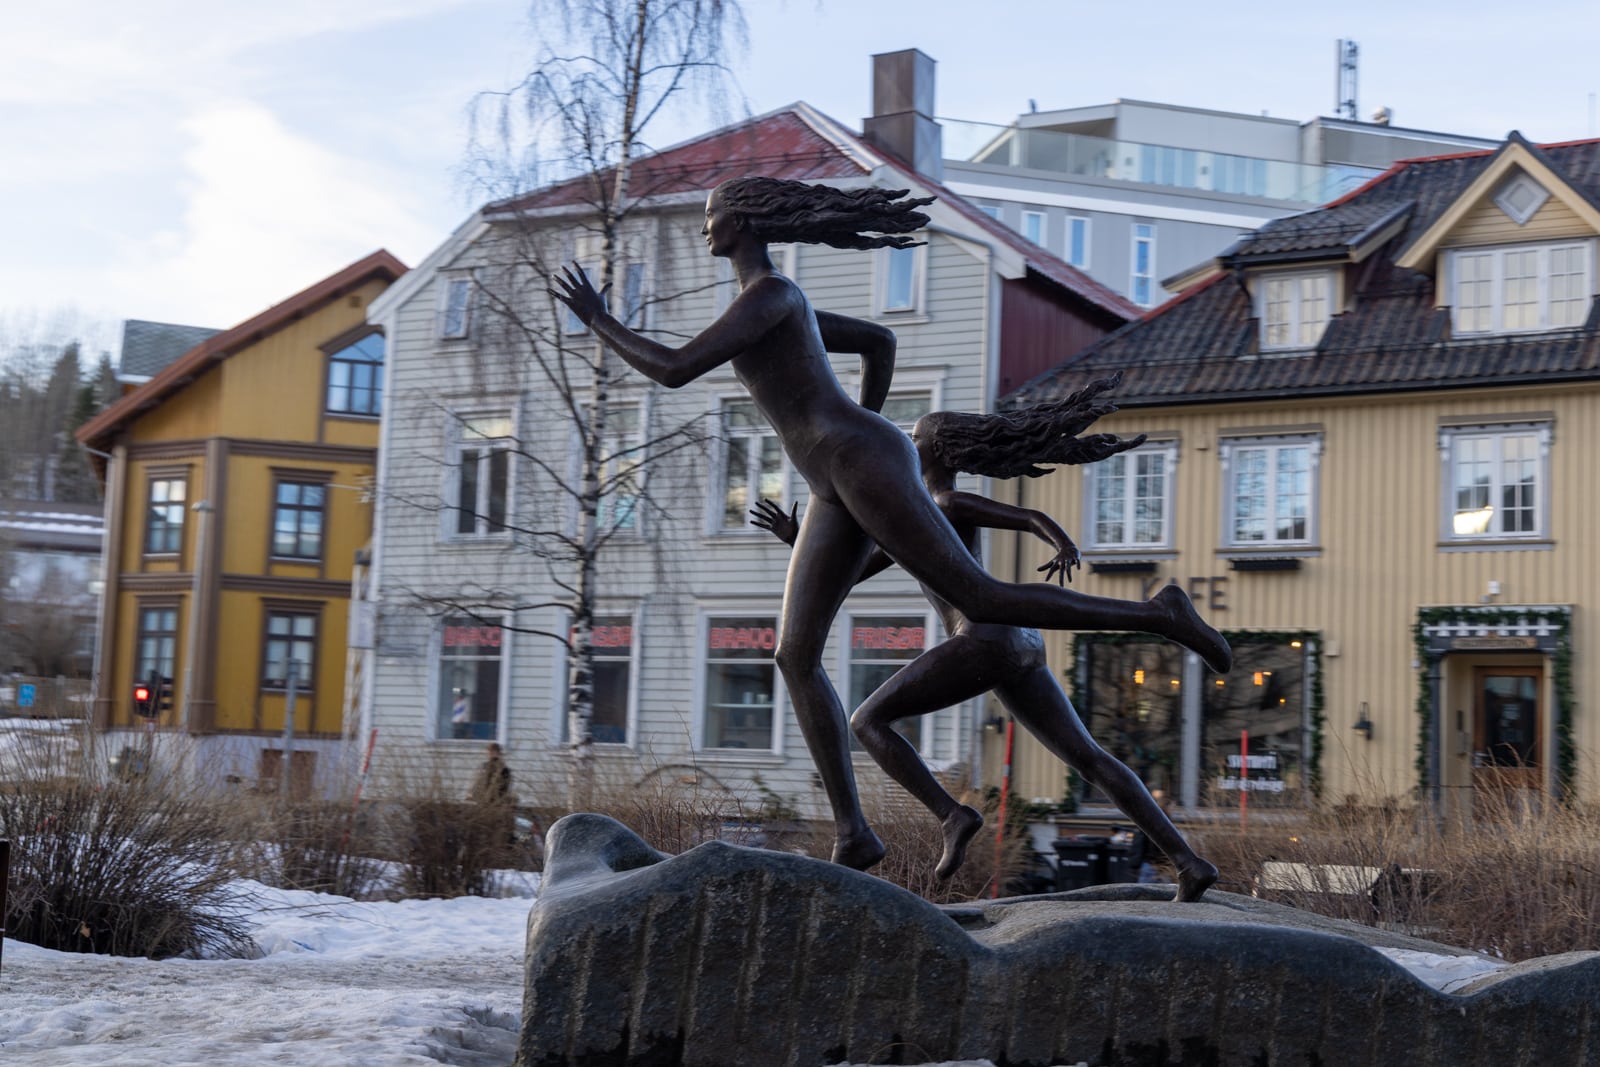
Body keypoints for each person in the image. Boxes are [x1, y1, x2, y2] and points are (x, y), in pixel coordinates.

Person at [549, 176, 1231, 871]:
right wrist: (856, 449)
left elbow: (673, 370)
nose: (704, 228)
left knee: (980, 599)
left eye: (711, 214)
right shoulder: (781, 305)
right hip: (837, 476)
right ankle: (855, 832)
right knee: (793, 655)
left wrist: (599, 318)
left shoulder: (771, 295)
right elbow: (879, 341)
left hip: (852, 460)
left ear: (744, 221)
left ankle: (1160, 614)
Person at [750, 376, 1218, 902]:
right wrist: (798, 540)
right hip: (1018, 643)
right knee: (1088, 757)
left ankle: (952, 814)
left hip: (983, 640)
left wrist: (1062, 543)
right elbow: (852, 573)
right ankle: (1189, 862)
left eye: (914, 437)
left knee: (868, 721)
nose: (904, 442)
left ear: (935, 450)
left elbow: (1030, 516)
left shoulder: (944, 502)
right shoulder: (909, 514)